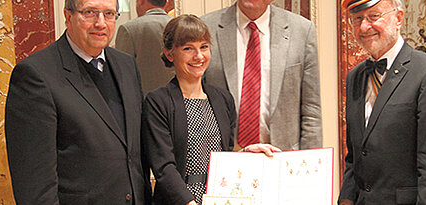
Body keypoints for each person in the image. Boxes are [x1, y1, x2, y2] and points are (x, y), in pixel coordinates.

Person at [5, 0, 151, 204]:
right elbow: (34, 184)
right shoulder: (36, 75)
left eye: (109, 14)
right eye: (90, 12)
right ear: (68, 16)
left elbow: (135, 154)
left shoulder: (126, 65)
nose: (101, 23)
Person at [141, 14, 281, 205]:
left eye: (204, 47)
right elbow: (163, 167)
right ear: (169, 54)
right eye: (188, 48)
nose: (198, 56)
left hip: (219, 197)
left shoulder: (222, 99)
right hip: (178, 201)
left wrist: (247, 153)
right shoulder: (158, 102)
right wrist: (190, 203)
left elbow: (222, 158)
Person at [339, 0, 426, 204]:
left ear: (399, 18)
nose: (364, 27)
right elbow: (356, 156)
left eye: (374, 16)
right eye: (357, 19)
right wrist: (347, 199)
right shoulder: (355, 77)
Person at [201, 0, 322, 151]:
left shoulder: (302, 30)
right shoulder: (206, 27)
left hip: (285, 159)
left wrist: (310, 164)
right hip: (227, 158)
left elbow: (311, 109)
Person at [115, 0, 173, 94]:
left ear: (141, 1)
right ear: (166, 3)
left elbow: (120, 73)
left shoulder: (129, 29)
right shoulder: (180, 27)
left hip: (143, 102)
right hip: (178, 100)